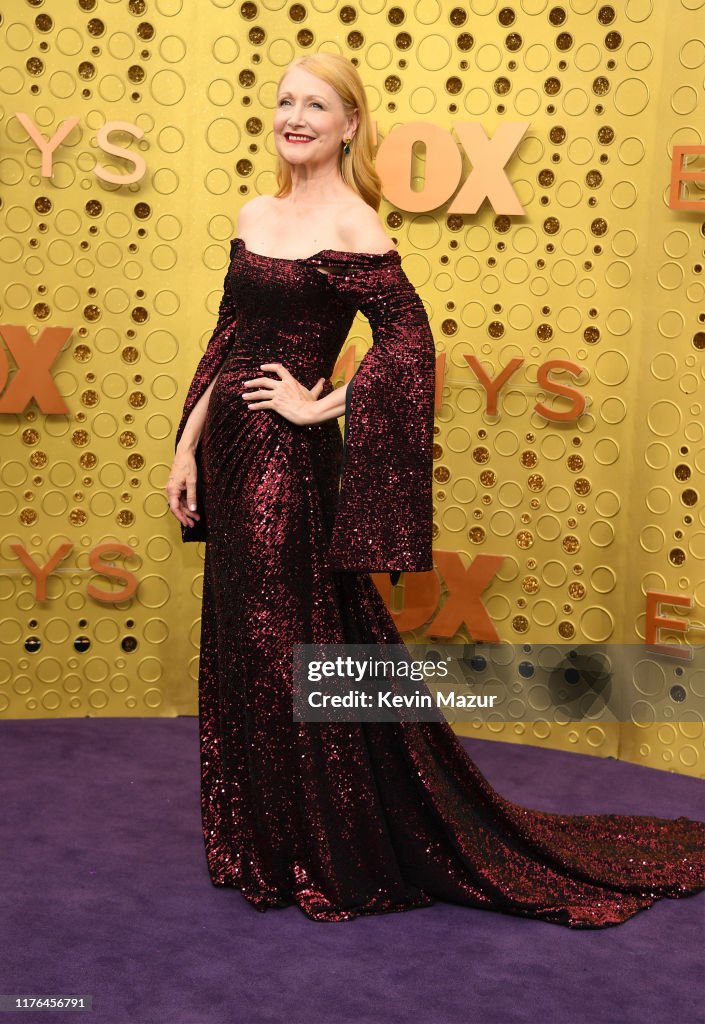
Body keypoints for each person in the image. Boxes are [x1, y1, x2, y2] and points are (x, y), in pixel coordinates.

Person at [166, 53, 705, 926]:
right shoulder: (255, 212)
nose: (294, 117)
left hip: (285, 466)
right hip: (226, 450)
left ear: (348, 126)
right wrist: (184, 446)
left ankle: (317, 843)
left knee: (282, 645)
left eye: (316, 106)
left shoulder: (355, 226)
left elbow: (409, 348)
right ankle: (258, 837)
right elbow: (229, 332)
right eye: (284, 102)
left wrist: (319, 407)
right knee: (244, 638)